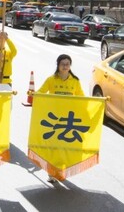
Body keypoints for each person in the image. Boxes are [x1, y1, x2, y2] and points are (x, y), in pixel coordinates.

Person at [36, 54, 84, 183]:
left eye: (67, 64)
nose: (65, 67)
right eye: (62, 64)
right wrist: (33, 95)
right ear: (58, 65)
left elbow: (82, 99)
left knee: (64, 147)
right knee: (53, 147)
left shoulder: (75, 81)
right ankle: (52, 172)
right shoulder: (51, 80)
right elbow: (40, 93)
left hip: (68, 120)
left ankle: (61, 170)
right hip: (54, 120)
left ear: (70, 66)